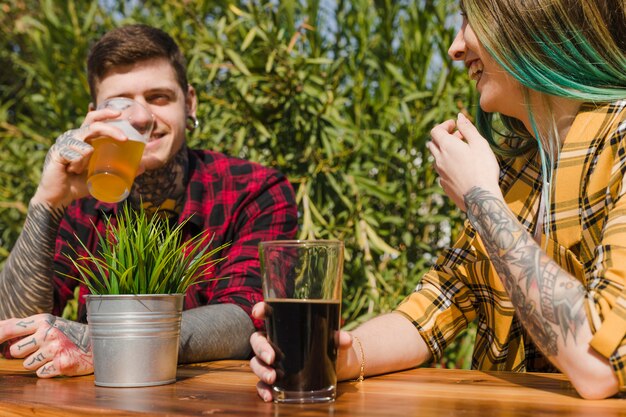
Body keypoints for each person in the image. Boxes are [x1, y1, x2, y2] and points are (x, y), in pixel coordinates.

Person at [250, 0, 625, 400]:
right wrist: (336, 356)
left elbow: (599, 363)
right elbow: (434, 307)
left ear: (531, 17)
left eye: (471, 19)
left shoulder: (616, 145)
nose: (455, 46)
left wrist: (482, 201)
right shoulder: (523, 168)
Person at [0, 24, 298, 378]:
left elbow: (244, 316)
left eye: (158, 97)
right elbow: (11, 326)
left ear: (189, 103)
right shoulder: (80, 200)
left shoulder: (255, 190)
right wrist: (47, 204)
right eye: (119, 104)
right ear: (94, 113)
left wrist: (106, 341)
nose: (140, 118)